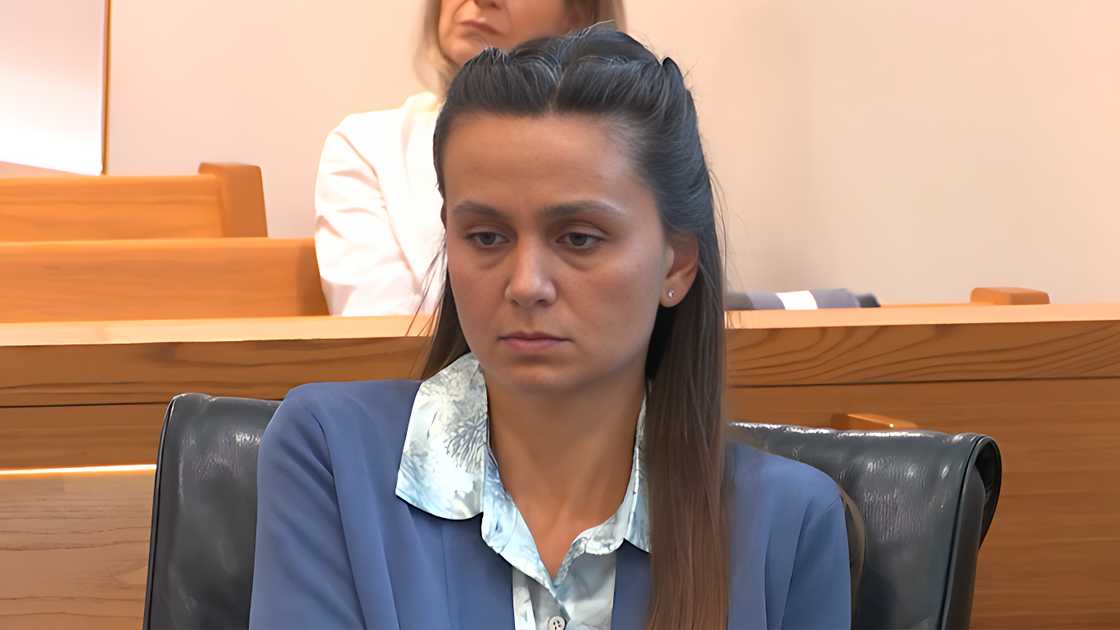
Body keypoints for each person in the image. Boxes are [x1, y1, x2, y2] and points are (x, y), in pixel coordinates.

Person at [251, 28, 851, 630]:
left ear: (676, 262)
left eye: (579, 238)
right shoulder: (331, 454)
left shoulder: (787, 522)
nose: (526, 284)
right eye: (486, 237)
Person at [314, 0, 627, 316]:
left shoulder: (626, 145)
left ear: (579, 13)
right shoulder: (369, 147)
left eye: (577, 239)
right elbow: (381, 340)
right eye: (487, 238)